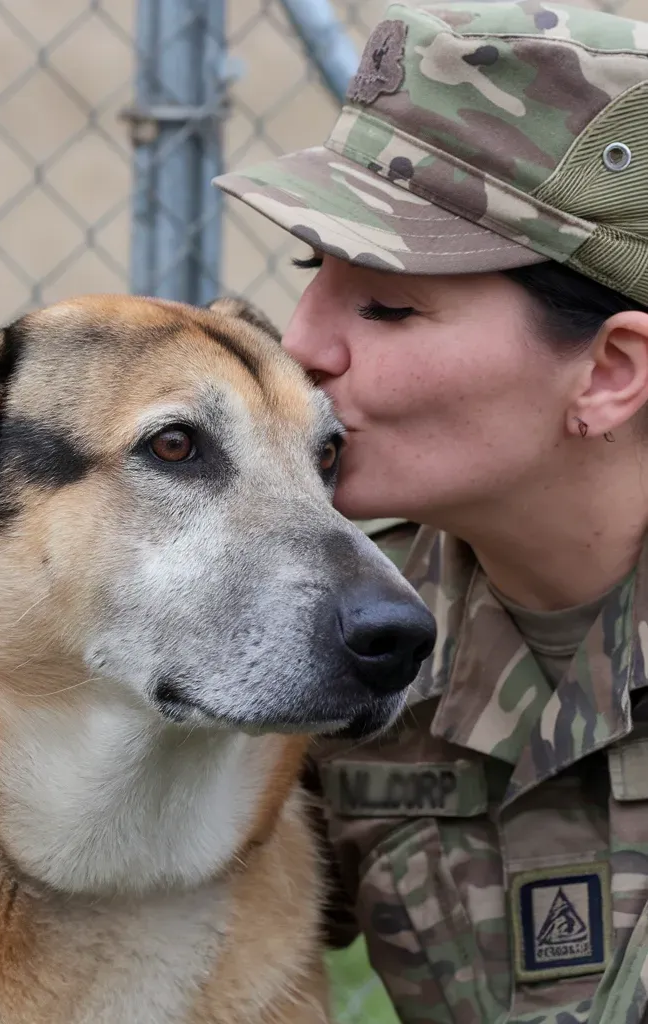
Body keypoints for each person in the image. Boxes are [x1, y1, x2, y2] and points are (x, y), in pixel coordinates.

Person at [213, 2, 648, 1021]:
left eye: (389, 306)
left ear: (611, 370)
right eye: (309, 273)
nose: (301, 348)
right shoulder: (358, 629)